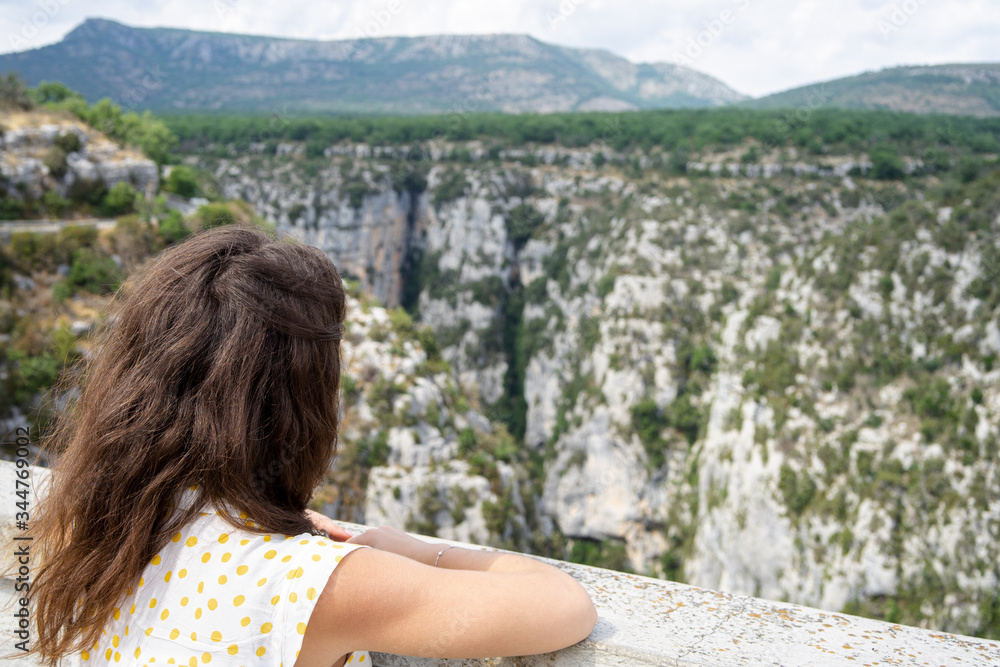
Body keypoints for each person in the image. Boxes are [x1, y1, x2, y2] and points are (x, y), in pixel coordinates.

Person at [24, 225, 597, 666]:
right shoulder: (314, 581)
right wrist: (407, 547)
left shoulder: (92, 524)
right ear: (303, 400)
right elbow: (565, 605)